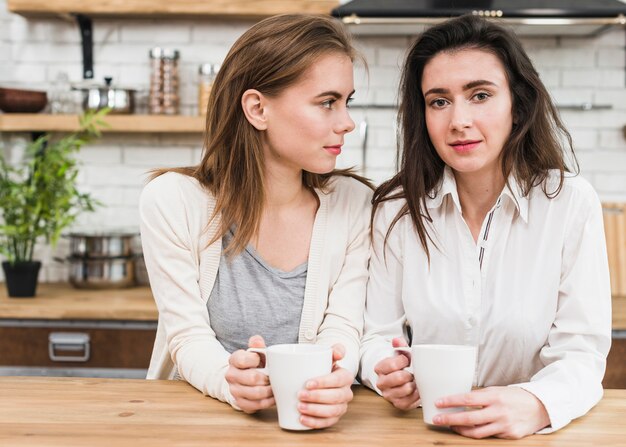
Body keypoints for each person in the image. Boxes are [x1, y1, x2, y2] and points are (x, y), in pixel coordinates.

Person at [359, 14, 611, 439]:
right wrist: (385, 372)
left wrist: (536, 404)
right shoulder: (397, 210)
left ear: (518, 105)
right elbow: (375, 336)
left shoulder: (569, 203)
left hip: (527, 438)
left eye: (480, 95)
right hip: (425, 431)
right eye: (439, 101)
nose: (458, 120)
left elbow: (582, 354)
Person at [139, 14, 372, 430]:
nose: (347, 122)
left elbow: (343, 325)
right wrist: (232, 381)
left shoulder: (354, 204)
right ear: (258, 108)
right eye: (326, 102)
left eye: (346, 101)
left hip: (312, 427)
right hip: (192, 426)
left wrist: (332, 380)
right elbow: (187, 337)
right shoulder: (173, 200)